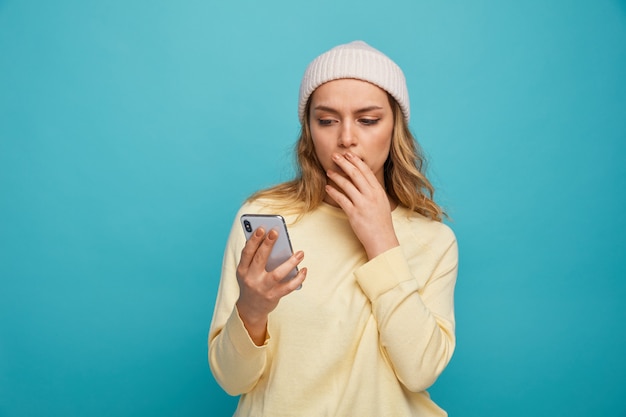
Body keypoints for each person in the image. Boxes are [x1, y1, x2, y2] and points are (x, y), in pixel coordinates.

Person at [208, 40, 458, 417]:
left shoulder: (434, 241)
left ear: (395, 128)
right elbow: (232, 381)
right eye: (326, 120)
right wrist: (252, 309)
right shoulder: (266, 219)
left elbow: (420, 372)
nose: (346, 138)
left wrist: (382, 240)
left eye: (368, 120)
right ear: (308, 130)